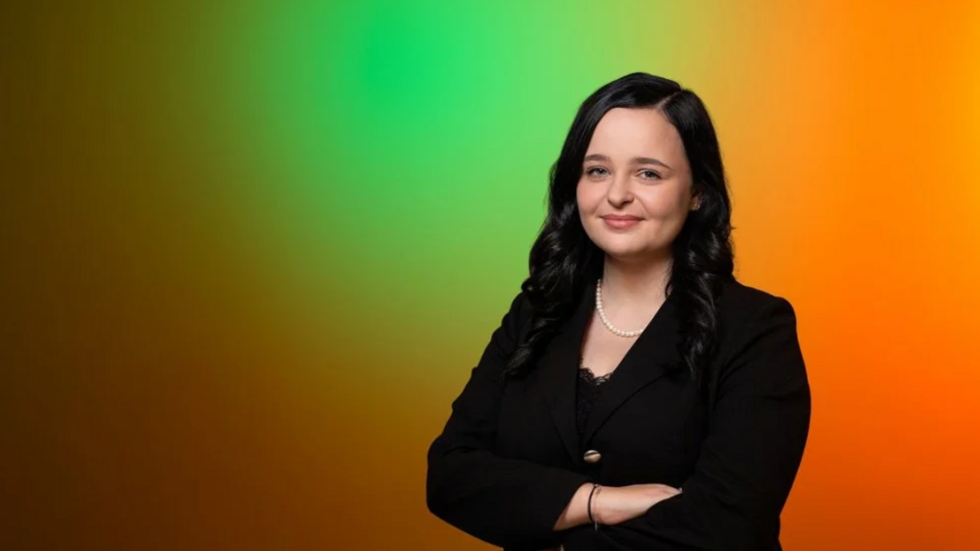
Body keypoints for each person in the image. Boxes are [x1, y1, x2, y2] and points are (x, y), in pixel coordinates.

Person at [425, 72, 811, 551]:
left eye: (648, 173)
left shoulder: (755, 328)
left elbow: (726, 523)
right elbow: (450, 474)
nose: (617, 194)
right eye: (597, 170)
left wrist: (554, 533)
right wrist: (595, 501)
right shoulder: (537, 312)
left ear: (697, 192)